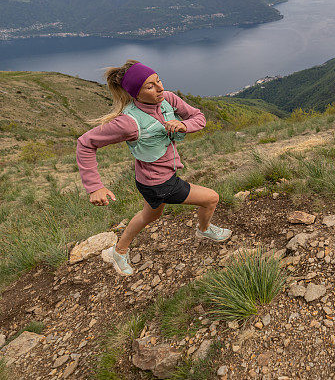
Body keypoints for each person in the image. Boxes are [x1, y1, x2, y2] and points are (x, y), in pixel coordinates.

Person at [76, 59, 231, 276]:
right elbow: (85, 143)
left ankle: (118, 251)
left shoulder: (167, 99)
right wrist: (94, 187)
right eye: (150, 86)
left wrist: (184, 125)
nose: (160, 88)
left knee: (150, 215)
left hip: (145, 181)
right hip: (161, 184)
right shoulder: (128, 123)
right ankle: (204, 230)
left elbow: (199, 117)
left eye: (158, 81)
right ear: (135, 94)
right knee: (211, 198)